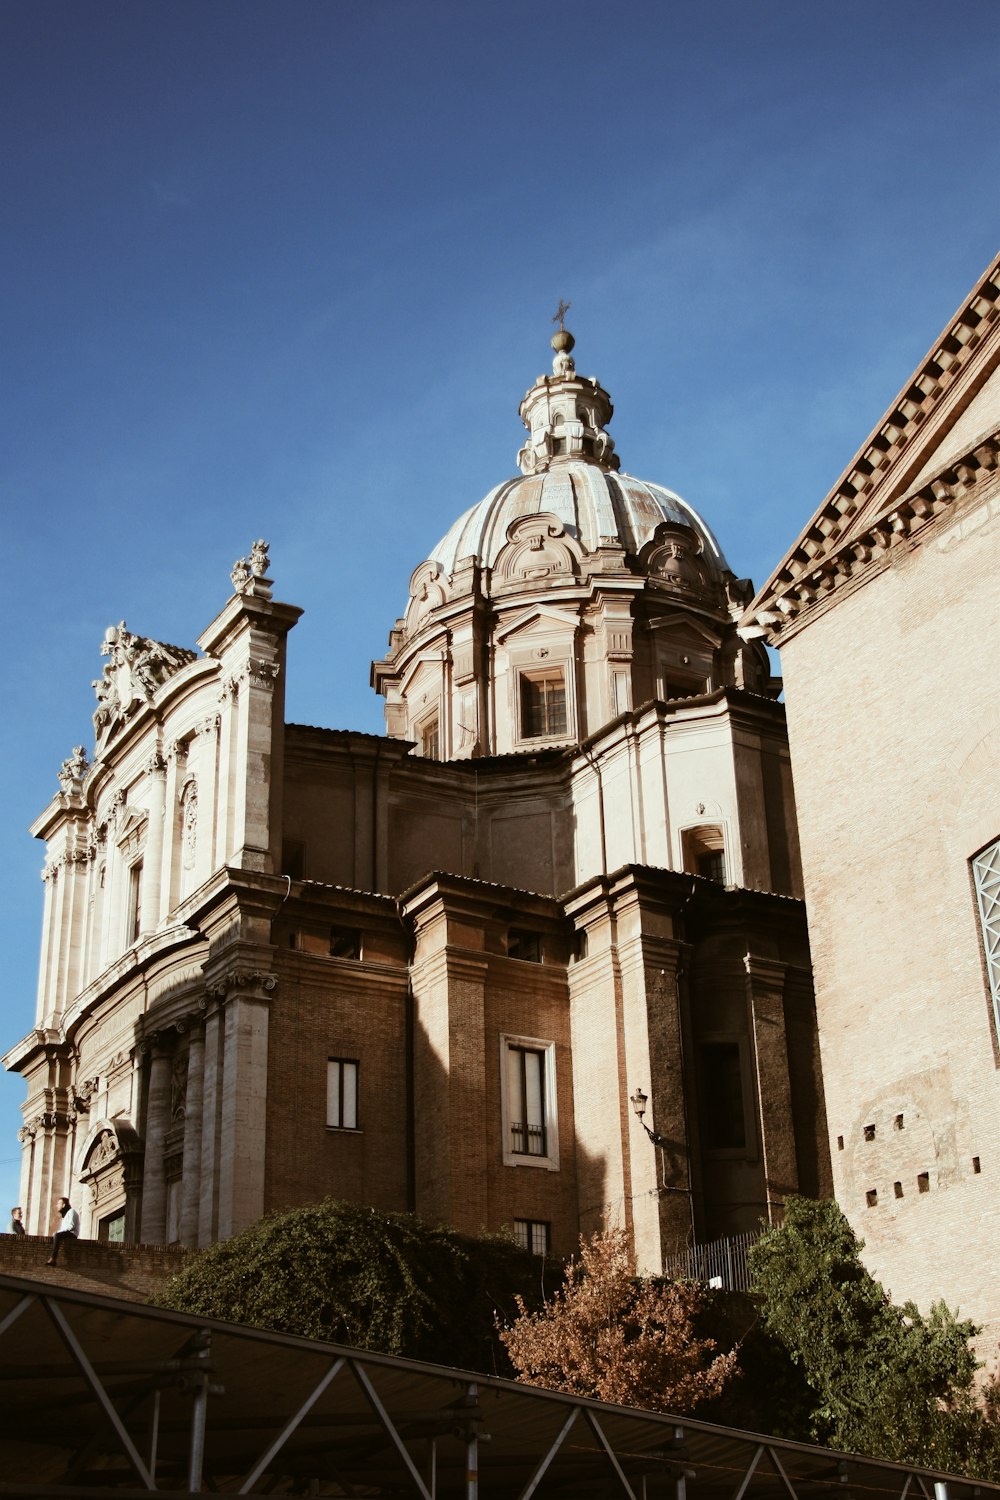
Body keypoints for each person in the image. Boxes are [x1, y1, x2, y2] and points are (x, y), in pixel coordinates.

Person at [46, 1197, 80, 1264]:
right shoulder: (65, 1216)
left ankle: (53, 1258)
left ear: (64, 1205)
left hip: (72, 1233)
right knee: (56, 1235)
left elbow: (71, 1226)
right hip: (68, 1232)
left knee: (57, 1235)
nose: (57, 1205)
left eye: (59, 1203)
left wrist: (58, 1232)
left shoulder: (71, 1211)